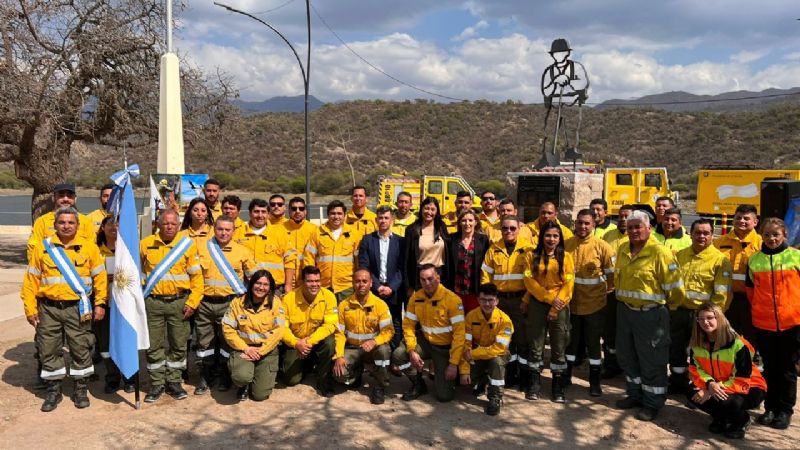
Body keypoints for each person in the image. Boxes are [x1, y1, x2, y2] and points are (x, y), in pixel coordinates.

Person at [22, 207, 107, 411]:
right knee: (49, 348)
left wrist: (100, 303)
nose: (66, 226)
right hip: (49, 308)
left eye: (71, 222)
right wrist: (30, 308)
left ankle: (80, 390)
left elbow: (100, 278)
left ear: (77, 225)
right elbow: (30, 280)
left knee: (81, 347)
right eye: (62, 222)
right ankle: (53, 391)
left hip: (77, 308)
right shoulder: (42, 249)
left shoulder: (89, 247)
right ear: (55, 225)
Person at [614, 210, 683, 422]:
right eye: (630, 227)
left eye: (638, 227)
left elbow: (675, 289)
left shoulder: (660, 252)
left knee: (652, 360)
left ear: (649, 228)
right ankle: (635, 394)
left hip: (651, 315)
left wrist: (662, 311)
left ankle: (653, 402)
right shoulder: (624, 248)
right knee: (627, 356)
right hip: (626, 312)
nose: (633, 231)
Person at [139, 209, 203, 403]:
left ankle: (174, 381)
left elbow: (197, 279)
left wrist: (192, 303)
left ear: (178, 225)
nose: (169, 227)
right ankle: (157, 383)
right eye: (165, 223)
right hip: (153, 302)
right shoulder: (145, 244)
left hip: (179, 303)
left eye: (173, 224)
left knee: (178, 343)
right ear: (158, 224)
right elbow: (138, 275)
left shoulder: (187, 246)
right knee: (154, 344)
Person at [745, 217, 800, 430]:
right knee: (769, 368)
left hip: (792, 323)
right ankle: (770, 407)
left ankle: (784, 411)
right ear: (761, 235)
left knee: (787, 370)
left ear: (784, 234)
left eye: (775, 234)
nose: (771, 238)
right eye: (766, 234)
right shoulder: (755, 260)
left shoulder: (796, 257)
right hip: (764, 323)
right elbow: (752, 292)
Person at [194, 216, 256, 395]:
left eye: (227, 230)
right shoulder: (202, 248)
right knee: (204, 343)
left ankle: (224, 376)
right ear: (214, 228)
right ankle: (205, 376)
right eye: (220, 229)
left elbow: (253, 278)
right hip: (205, 304)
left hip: (230, 303)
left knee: (226, 343)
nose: (223, 233)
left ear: (234, 231)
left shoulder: (242, 251)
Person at [669, 219, 732, 395]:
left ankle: (700, 387)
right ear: (691, 234)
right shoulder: (679, 255)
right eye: (698, 232)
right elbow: (672, 284)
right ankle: (677, 381)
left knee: (701, 352)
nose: (701, 236)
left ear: (712, 235)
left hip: (703, 316)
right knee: (677, 348)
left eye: (706, 233)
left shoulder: (720, 260)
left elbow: (721, 294)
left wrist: (712, 318)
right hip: (680, 312)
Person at [687, 302, 766, 439]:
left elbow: (741, 379)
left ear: (719, 318)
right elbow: (695, 370)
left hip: (749, 386)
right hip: (718, 383)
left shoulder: (737, 344)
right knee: (691, 392)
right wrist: (709, 384)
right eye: (701, 319)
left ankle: (742, 420)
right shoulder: (697, 344)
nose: (705, 322)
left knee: (727, 401)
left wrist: (711, 389)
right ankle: (721, 418)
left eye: (710, 317)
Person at [391, 264, 465, 402]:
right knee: (399, 355)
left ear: (438, 278)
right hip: (425, 342)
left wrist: (453, 364)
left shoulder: (453, 300)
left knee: (444, 396)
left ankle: (450, 375)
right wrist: (412, 350)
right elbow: (408, 326)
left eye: (430, 279)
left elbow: (460, 335)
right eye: (423, 280)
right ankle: (418, 384)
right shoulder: (416, 298)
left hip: (444, 348)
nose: (427, 283)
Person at [522, 221, 575, 403]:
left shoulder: (566, 257)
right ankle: (534, 385)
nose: (551, 239)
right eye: (547, 235)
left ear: (559, 238)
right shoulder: (532, 256)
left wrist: (555, 306)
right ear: (541, 237)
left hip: (560, 305)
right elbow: (529, 281)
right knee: (535, 345)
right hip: (538, 303)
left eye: (555, 236)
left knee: (559, 346)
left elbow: (569, 283)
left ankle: (558, 386)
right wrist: (547, 298)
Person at [564, 209, 614, 397]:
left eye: (587, 223)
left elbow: (612, 276)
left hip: (594, 306)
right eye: (580, 223)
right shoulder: (567, 244)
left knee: (593, 346)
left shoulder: (603, 247)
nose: (583, 226)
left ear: (594, 225)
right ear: (575, 224)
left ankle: (594, 382)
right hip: (571, 304)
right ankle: (566, 376)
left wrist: (604, 294)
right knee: (570, 344)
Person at [481, 215, 533, 389]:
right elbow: (485, 276)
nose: (508, 231)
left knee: (522, 339)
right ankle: (509, 374)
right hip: (500, 302)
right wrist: (489, 301)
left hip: (521, 300)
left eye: (512, 228)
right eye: (505, 228)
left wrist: (526, 300)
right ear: (500, 230)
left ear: (519, 228)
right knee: (504, 340)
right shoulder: (493, 249)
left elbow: (533, 279)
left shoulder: (528, 249)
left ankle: (524, 376)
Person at [333, 269, 395, 404]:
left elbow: (388, 331)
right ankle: (356, 374)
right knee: (340, 374)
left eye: (364, 281)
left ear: (371, 283)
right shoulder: (344, 305)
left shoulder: (380, 305)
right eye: (357, 281)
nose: (361, 284)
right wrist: (339, 356)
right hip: (352, 348)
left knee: (384, 351)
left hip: (373, 349)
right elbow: (339, 334)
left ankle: (380, 386)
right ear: (353, 283)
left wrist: (374, 341)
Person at [221, 270, 285, 402]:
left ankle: (257, 378)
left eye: (265, 285)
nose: (261, 287)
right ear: (251, 284)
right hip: (243, 349)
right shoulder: (237, 303)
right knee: (241, 377)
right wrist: (245, 348)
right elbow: (228, 329)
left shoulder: (276, 303)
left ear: (270, 287)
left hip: (266, 350)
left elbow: (278, 331)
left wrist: (261, 351)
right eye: (258, 283)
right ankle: (243, 384)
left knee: (260, 396)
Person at [281, 266, 339, 397]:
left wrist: (309, 342)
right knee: (290, 380)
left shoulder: (329, 296)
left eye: (317, 281)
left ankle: (324, 381)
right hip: (295, 343)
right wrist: (296, 343)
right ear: (302, 282)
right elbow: (282, 328)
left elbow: (330, 325)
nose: (315, 285)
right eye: (310, 281)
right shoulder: (288, 299)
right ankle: (307, 364)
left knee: (330, 342)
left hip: (315, 341)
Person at [459, 283, 514, 416]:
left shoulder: (505, 321)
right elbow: (465, 344)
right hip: (479, 354)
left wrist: (472, 354)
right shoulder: (471, 317)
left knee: (496, 363)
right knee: (464, 383)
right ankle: (481, 380)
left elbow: (499, 349)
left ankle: (495, 397)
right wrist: (464, 371)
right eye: (483, 300)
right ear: (478, 300)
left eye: (490, 300)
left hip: (498, 355)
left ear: (497, 301)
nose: (487, 304)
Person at [95, 216, 135, 394]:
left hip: (125, 305)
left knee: (125, 341)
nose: (114, 226)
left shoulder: (129, 250)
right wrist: (105, 278)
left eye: (118, 223)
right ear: (102, 227)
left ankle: (129, 378)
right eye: (110, 223)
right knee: (105, 344)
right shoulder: (94, 250)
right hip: (103, 303)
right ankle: (112, 377)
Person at [358, 206, 405, 349]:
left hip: (394, 290)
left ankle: (395, 357)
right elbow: (365, 266)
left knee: (395, 322)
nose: (383, 221)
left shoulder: (400, 241)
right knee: (374, 322)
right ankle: (378, 356)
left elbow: (402, 268)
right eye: (380, 218)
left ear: (392, 219)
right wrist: (377, 286)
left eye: (386, 218)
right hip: (374, 289)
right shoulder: (367, 240)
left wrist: (391, 287)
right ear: (376, 219)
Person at [714, 204, 761, 348]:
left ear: (755, 222)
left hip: (752, 301)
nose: (741, 221)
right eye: (738, 217)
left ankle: (753, 367)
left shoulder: (761, 243)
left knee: (752, 340)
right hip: (728, 300)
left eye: (746, 218)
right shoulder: (719, 242)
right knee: (727, 338)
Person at [601, 204, 634, 378]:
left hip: (632, 293)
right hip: (612, 291)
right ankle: (611, 365)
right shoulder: (608, 236)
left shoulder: (637, 237)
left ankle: (629, 366)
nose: (622, 219)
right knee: (610, 331)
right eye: (620, 216)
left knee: (629, 333)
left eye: (626, 216)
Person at [304, 200, 360, 301]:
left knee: (345, 316)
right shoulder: (317, 233)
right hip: (323, 285)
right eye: (333, 213)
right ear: (328, 215)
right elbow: (309, 258)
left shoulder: (354, 234)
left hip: (346, 287)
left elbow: (358, 261)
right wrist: (311, 281)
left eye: (339, 213)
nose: (336, 216)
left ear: (344, 215)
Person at [237, 198, 296, 294]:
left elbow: (290, 260)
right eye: (256, 211)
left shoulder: (280, 234)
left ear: (268, 214)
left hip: (274, 289)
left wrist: (288, 285)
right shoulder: (238, 233)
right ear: (250, 213)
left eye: (263, 212)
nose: (260, 215)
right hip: (246, 289)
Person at [27, 183, 94, 260]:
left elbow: (92, 248)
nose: (65, 199)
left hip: (79, 269)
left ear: (75, 199)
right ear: (53, 198)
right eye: (61, 196)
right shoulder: (42, 221)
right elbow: (33, 247)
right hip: (50, 268)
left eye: (70, 196)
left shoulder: (86, 221)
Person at [444, 209, 489, 314]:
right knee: (457, 319)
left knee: (473, 320)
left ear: (475, 222)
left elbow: (486, 264)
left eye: (470, 220)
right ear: (459, 222)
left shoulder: (483, 240)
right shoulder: (451, 239)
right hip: (456, 289)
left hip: (474, 289)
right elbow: (447, 264)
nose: (467, 223)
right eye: (464, 220)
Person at [404, 196, 449, 293]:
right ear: (421, 209)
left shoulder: (441, 227)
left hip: (439, 275)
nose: (429, 212)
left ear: (437, 212)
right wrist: (408, 285)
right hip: (420, 276)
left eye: (433, 209)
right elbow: (406, 259)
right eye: (426, 208)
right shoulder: (412, 230)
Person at [283, 197, 318, 286]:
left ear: (305, 211)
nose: (298, 211)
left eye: (301, 209)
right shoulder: (280, 229)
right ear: (289, 211)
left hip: (306, 280)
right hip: (285, 281)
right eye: (294, 209)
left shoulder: (314, 229)